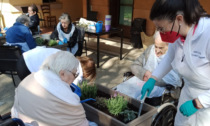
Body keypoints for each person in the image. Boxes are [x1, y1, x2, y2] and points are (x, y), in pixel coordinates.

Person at [140, 0, 210, 125]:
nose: (161, 33)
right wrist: (153, 78)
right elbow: (170, 58)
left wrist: (199, 102)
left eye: (161, 28)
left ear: (179, 19)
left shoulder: (207, 34)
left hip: (206, 101)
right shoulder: (178, 34)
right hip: (188, 93)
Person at [11, 51, 95, 126]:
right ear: (62, 74)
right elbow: (81, 122)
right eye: (75, 74)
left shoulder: (28, 78)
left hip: (20, 120)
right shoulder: (65, 96)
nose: (74, 78)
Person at [115, 31, 182, 104]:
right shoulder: (150, 50)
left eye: (161, 48)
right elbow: (134, 65)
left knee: (137, 98)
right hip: (143, 81)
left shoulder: (174, 56)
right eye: (156, 46)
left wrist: (153, 79)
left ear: (169, 46)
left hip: (161, 88)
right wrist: (144, 73)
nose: (157, 51)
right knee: (120, 91)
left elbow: (173, 81)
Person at [16, 47, 96, 85]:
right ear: (87, 72)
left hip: (26, 56)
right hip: (27, 66)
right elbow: (71, 86)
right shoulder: (78, 70)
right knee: (37, 92)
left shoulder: (71, 58)